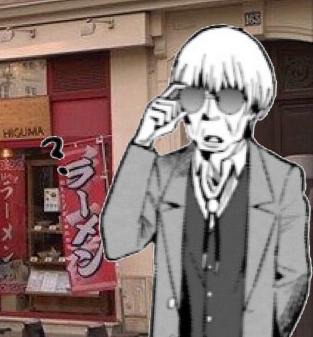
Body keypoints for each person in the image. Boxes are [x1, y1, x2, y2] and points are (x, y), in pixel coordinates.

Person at [101, 25, 311, 337]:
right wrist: (142, 142)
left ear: (254, 104)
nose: (209, 115)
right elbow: (117, 241)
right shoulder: (164, 172)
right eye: (195, 98)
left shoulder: (282, 180)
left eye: (227, 99)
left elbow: (293, 275)